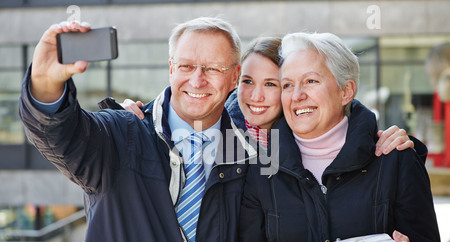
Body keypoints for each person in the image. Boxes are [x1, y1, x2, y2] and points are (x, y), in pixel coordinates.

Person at [19, 17, 254, 242]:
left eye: (213, 68)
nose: (197, 79)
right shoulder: (120, 136)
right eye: (186, 66)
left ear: (235, 76)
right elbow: (62, 137)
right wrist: (44, 86)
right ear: (171, 68)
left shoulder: (251, 155)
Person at [233, 31, 445, 242]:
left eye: (311, 81)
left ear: (346, 91)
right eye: (287, 85)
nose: (297, 95)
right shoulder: (261, 169)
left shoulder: (396, 158)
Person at [123, 36, 420, 156]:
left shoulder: (304, 141)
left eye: (273, 84)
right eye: (248, 81)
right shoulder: (221, 130)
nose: (255, 96)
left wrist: (382, 137)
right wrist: (141, 115)